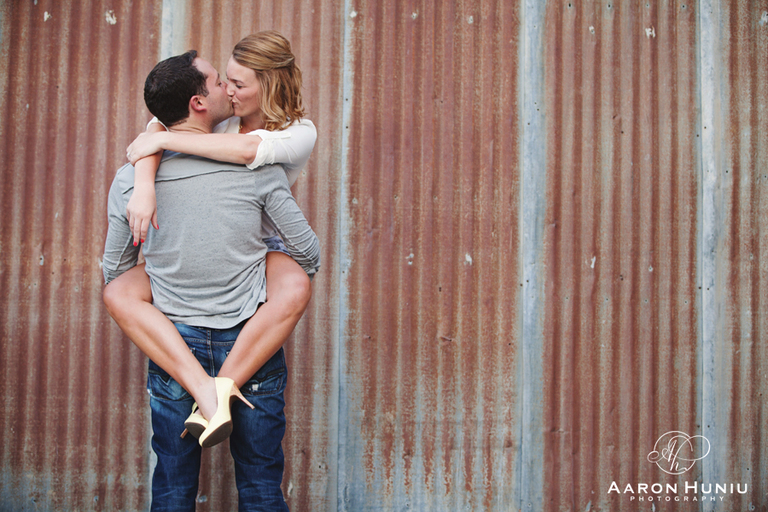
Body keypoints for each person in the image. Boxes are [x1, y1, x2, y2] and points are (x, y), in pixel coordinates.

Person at [103, 50, 318, 509]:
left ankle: (205, 389)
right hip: (250, 341)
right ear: (199, 103)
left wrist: (171, 261)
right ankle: (215, 391)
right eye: (220, 82)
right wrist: (256, 259)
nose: (229, 89)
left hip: (175, 348)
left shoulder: (130, 178)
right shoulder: (257, 170)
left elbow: (115, 271)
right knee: (261, 484)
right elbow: (308, 253)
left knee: (172, 487)